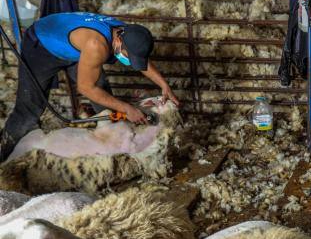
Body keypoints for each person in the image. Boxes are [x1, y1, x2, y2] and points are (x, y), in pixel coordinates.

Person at [0, 12, 180, 161]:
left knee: (102, 91)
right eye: (128, 56)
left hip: (73, 45)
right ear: (118, 42)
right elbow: (85, 88)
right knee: (29, 109)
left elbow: (140, 59)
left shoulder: (126, 32)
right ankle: (4, 152)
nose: (129, 61)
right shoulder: (97, 46)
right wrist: (127, 108)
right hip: (42, 45)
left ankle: (116, 143)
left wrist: (163, 85)